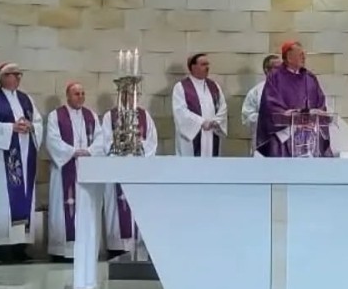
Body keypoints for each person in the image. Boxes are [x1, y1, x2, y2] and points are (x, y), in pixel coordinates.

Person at [0, 61, 44, 264]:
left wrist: (31, 127)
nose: (17, 78)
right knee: (0, 203)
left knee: (22, 201)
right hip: (1, 160)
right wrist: (10, 129)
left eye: (19, 74)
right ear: (3, 77)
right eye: (14, 74)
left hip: (24, 159)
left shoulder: (26, 100)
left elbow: (40, 122)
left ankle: (19, 247)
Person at [47, 81, 106, 261]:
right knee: (63, 208)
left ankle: (84, 249)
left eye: (82, 93)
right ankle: (62, 251)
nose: (80, 97)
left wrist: (88, 151)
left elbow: (100, 139)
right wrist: (72, 152)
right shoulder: (55, 116)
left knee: (85, 209)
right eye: (76, 94)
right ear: (68, 96)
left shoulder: (91, 116)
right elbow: (52, 140)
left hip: (86, 168)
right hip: (65, 166)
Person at [99, 92, 158, 257]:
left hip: (139, 170)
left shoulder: (145, 116)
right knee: (116, 211)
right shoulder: (109, 117)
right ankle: (117, 247)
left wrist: (137, 149)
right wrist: (124, 150)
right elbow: (105, 141)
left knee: (138, 209)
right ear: (119, 96)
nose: (130, 99)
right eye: (125, 95)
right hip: (117, 169)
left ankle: (139, 246)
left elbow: (152, 141)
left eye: (133, 95)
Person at [256, 41, 331, 157]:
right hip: (285, 137)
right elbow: (270, 105)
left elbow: (320, 102)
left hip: (310, 135)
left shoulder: (309, 78)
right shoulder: (275, 77)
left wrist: (316, 115)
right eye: (300, 54)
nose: (304, 57)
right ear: (289, 57)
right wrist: (292, 117)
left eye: (304, 54)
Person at [172, 54, 228, 158]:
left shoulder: (214, 86)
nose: (207, 67)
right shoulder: (181, 87)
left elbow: (222, 107)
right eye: (203, 64)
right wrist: (201, 122)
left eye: (207, 64)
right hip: (192, 135)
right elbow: (180, 111)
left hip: (211, 133)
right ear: (193, 67)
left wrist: (216, 121)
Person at [242, 56, 282, 153]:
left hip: (284, 141)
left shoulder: (289, 90)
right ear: (266, 70)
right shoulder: (256, 92)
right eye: (276, 68)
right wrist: (265, 118)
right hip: (263, 140)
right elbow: (247, 116)